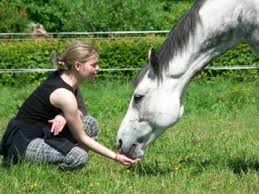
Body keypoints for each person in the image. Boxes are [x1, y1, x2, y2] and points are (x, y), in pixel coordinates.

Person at [0, 41, 139, 170]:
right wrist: (116, 156)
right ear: (78, 66)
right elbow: (82, 137)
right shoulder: (65, 95)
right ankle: (29, 163)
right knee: (78, 157)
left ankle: (62, 155)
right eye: (93, 64)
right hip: (23, 142)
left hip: (46, 132)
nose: (98, 68)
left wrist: (63, 115)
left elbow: (81, 112)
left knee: (90, 123)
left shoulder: (67, 78)